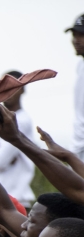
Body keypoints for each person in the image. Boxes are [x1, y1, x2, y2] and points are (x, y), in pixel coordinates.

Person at [0, 71, 35, 205]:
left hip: (15, 200)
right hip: (2, 197)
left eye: (12, 88)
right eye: (3, 88)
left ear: (22, 90)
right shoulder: (2, 119)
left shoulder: (21, 120)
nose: (7, 92)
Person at [69, 15, 84, 161]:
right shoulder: (80, 66)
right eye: (74, 34)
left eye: (82, 35)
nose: (76, 40)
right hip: (79, 147)